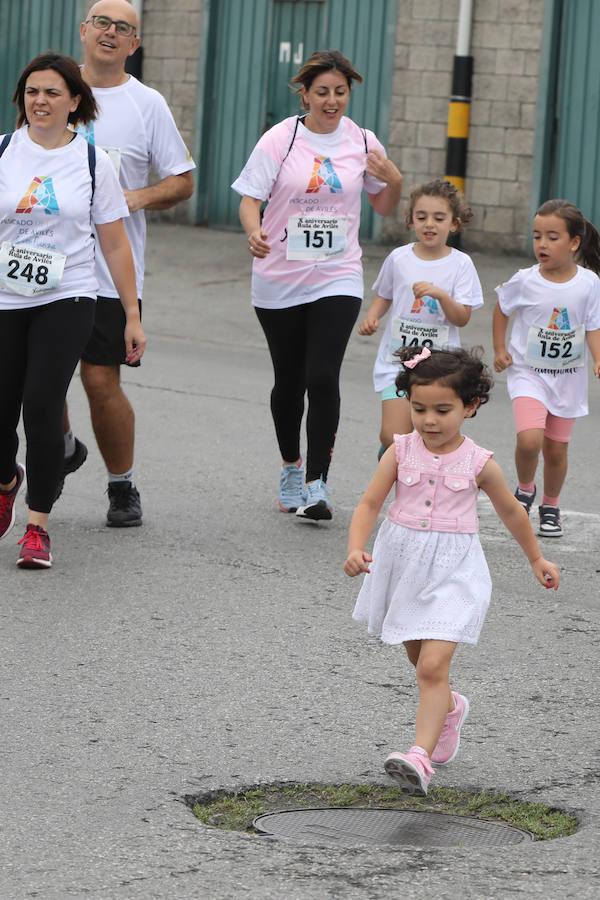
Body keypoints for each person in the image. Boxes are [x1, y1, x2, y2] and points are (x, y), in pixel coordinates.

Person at [344, 346, 559, 795]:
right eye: (418, 408)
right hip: (402, 565)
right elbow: (369, 503)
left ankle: (419, 758)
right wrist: (355, 547)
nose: (428, 420)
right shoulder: (400, 450)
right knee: (419, 658)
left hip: (454, 571)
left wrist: (536, 558)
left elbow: (512, 514)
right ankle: (449, 710)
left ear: (470, 406)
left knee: (432, 666)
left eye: (443, 410)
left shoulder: (480, 463)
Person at [232, 49, 402, 521]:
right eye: (322, 92)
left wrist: (394, 179)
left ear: (350, 94)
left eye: (340, 92)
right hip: (279, 276)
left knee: (321, 375)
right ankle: (292, 466)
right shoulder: (280, 140)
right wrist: (253, 230)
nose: (331, 101)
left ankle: (317, 483)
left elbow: (386, 206)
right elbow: (250, 199)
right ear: (304, 94)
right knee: (288, 380)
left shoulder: (364, 142)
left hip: (337, 273)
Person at [0, 52, 145, 569]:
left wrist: (131, 313)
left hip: (69, 296)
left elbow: (115, 244)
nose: (40, 101)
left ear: (75, 102)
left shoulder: (90, 162)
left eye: (52, 92)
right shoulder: (2, 153)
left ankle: (37, 526)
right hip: (5, 298)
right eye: (32, 91)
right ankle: (6, 481)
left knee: (41, 405)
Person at [61, 0, 195, 527]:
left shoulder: (147, 104)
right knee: (37, 382)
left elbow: (182, 181)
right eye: (102, 24)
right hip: (44, 266)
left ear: (135, 44)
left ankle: (122, 485)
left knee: (99, 381)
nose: (111, 34)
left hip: (108, 273)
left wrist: (130, 200)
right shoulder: (54, 89)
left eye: (123, 28)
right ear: (83, 31)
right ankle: (64, 448)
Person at [493, 199, 600, 538]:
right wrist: (500, 349)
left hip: (568, 378)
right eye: (537, 236)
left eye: (552, 237)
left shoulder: (588, 283)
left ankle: (551, 505)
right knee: (529, 440)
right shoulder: (524, 280)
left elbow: (593, 325)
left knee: (556, 450)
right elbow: (502, 309)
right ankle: (526, 488)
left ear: (574, 242)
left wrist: (598, 358)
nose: (542, 244)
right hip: (528, 373)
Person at [358, 179, 483, 457]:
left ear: (454, 223)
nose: (429, 224)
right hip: (398, 360)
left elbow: (462, 317)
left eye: (439, 218)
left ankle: (413, 487)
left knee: (427, 437)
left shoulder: (461, 264)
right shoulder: (398, 258)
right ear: (410, 220)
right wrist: (372, 316)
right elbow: (385, 294)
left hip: (439, 366)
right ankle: (393, 458)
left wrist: (441, 295)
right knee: (393, 436)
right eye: (421, 217)